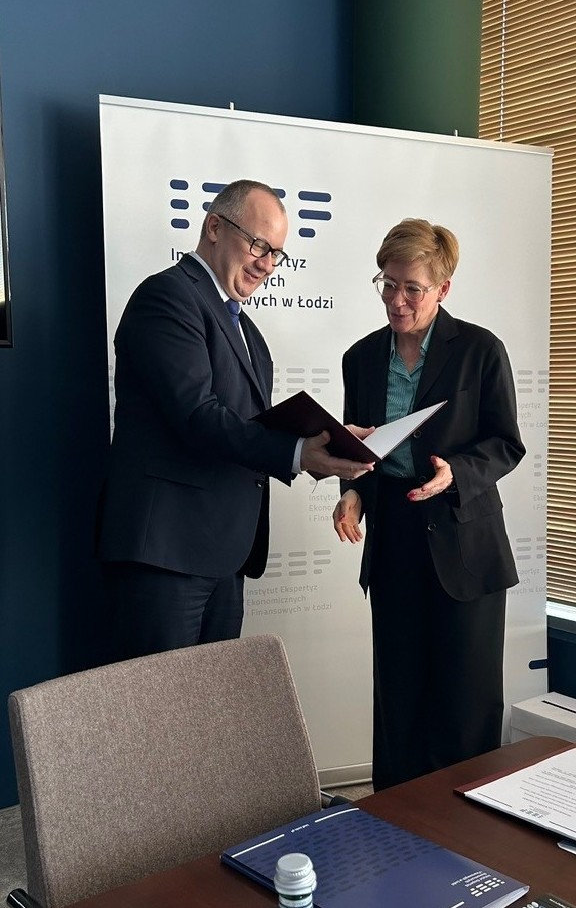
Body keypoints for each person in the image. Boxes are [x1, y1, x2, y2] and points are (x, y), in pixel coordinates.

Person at [97, 179, 372, 660]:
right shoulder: (167, 297)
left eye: (277, 253)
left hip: (225, 556)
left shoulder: (249, 333)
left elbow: (248, 425)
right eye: (259, 244)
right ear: (214, 227)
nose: (267, 264)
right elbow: (197, 416)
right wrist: (297, 453)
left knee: (214, 706)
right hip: (165, 554)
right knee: (159, 705)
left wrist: (325, 439)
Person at [333, 218, 525, 791]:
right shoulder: (360, 358)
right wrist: (352, 494)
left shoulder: (481, 351)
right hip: (394, 537)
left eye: (412, 289)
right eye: (388, 284)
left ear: (443, 288)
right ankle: (394, 820)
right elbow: (358, 448)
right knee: (399, 697)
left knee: (465, 701)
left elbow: (505, 444)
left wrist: (454, 472)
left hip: (464, 540)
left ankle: (465, 829)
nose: (396, 301)